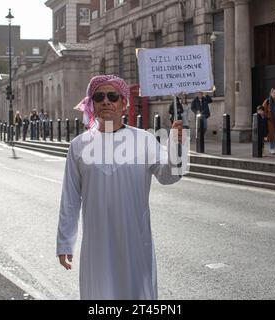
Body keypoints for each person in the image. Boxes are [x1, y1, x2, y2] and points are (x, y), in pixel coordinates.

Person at [56, 75, 183, 300]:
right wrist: (65, 242)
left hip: (134, 240)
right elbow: (70, 198)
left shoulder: (144, 140)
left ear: (124, 103)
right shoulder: (78, 146)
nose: (106, 101)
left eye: (113, 96)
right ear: (92, 103)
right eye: (99, 96)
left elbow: (169, 176)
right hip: (97, 243)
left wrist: (176, 146)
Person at [262, 88, 275, 155]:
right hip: (269, 121)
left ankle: (272, 148)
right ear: (271, 93)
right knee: (270, 135)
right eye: (274, 93)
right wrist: (268, 116)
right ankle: (270, 148)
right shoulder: (267, 101)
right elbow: (263, 111)